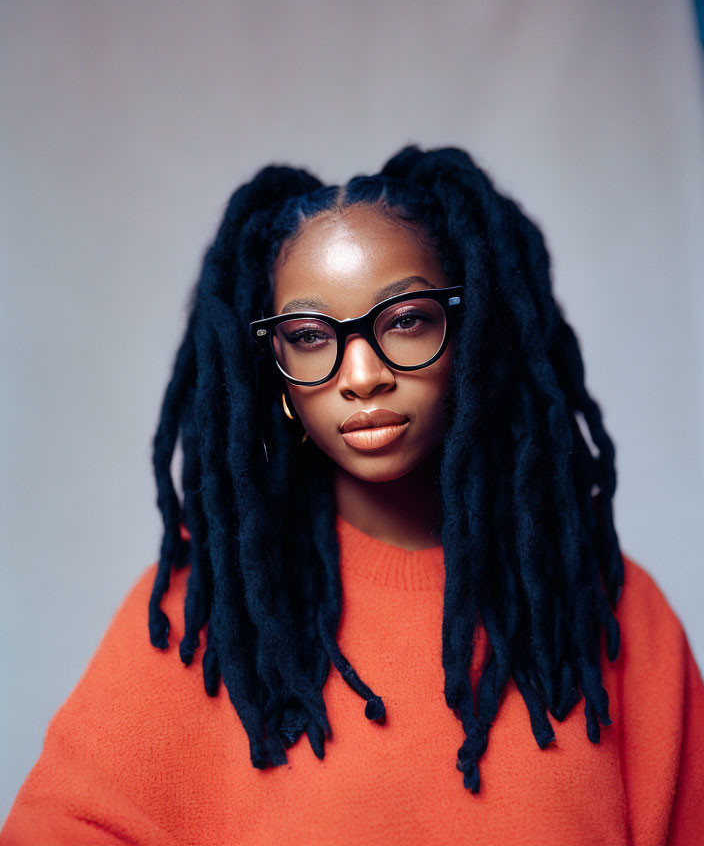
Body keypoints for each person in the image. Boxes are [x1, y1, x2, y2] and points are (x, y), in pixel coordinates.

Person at [2, 145, 703, 844]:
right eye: (309, 336)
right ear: (272, 367)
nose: (361, 375)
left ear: (477, 332)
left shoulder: (610, 615)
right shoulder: (211, 615)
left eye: (405, 320)